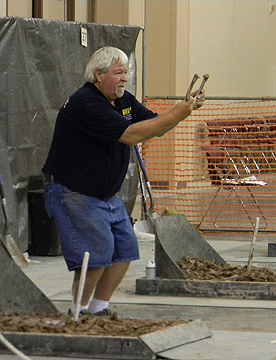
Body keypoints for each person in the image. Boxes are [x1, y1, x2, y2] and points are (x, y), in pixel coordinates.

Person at [41, 46, 205, 316]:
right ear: (99, 75)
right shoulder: (87, 103)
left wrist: (185, 110)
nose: (124, 78)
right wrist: (178, 112)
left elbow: (156, 126)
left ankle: (98, 308)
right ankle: (77, 314)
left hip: (105, 194)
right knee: (95, 256)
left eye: (126, 72)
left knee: (125, 250)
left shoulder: (123, 100)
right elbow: (130, 135)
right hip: (75, 192)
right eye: (118, 73)